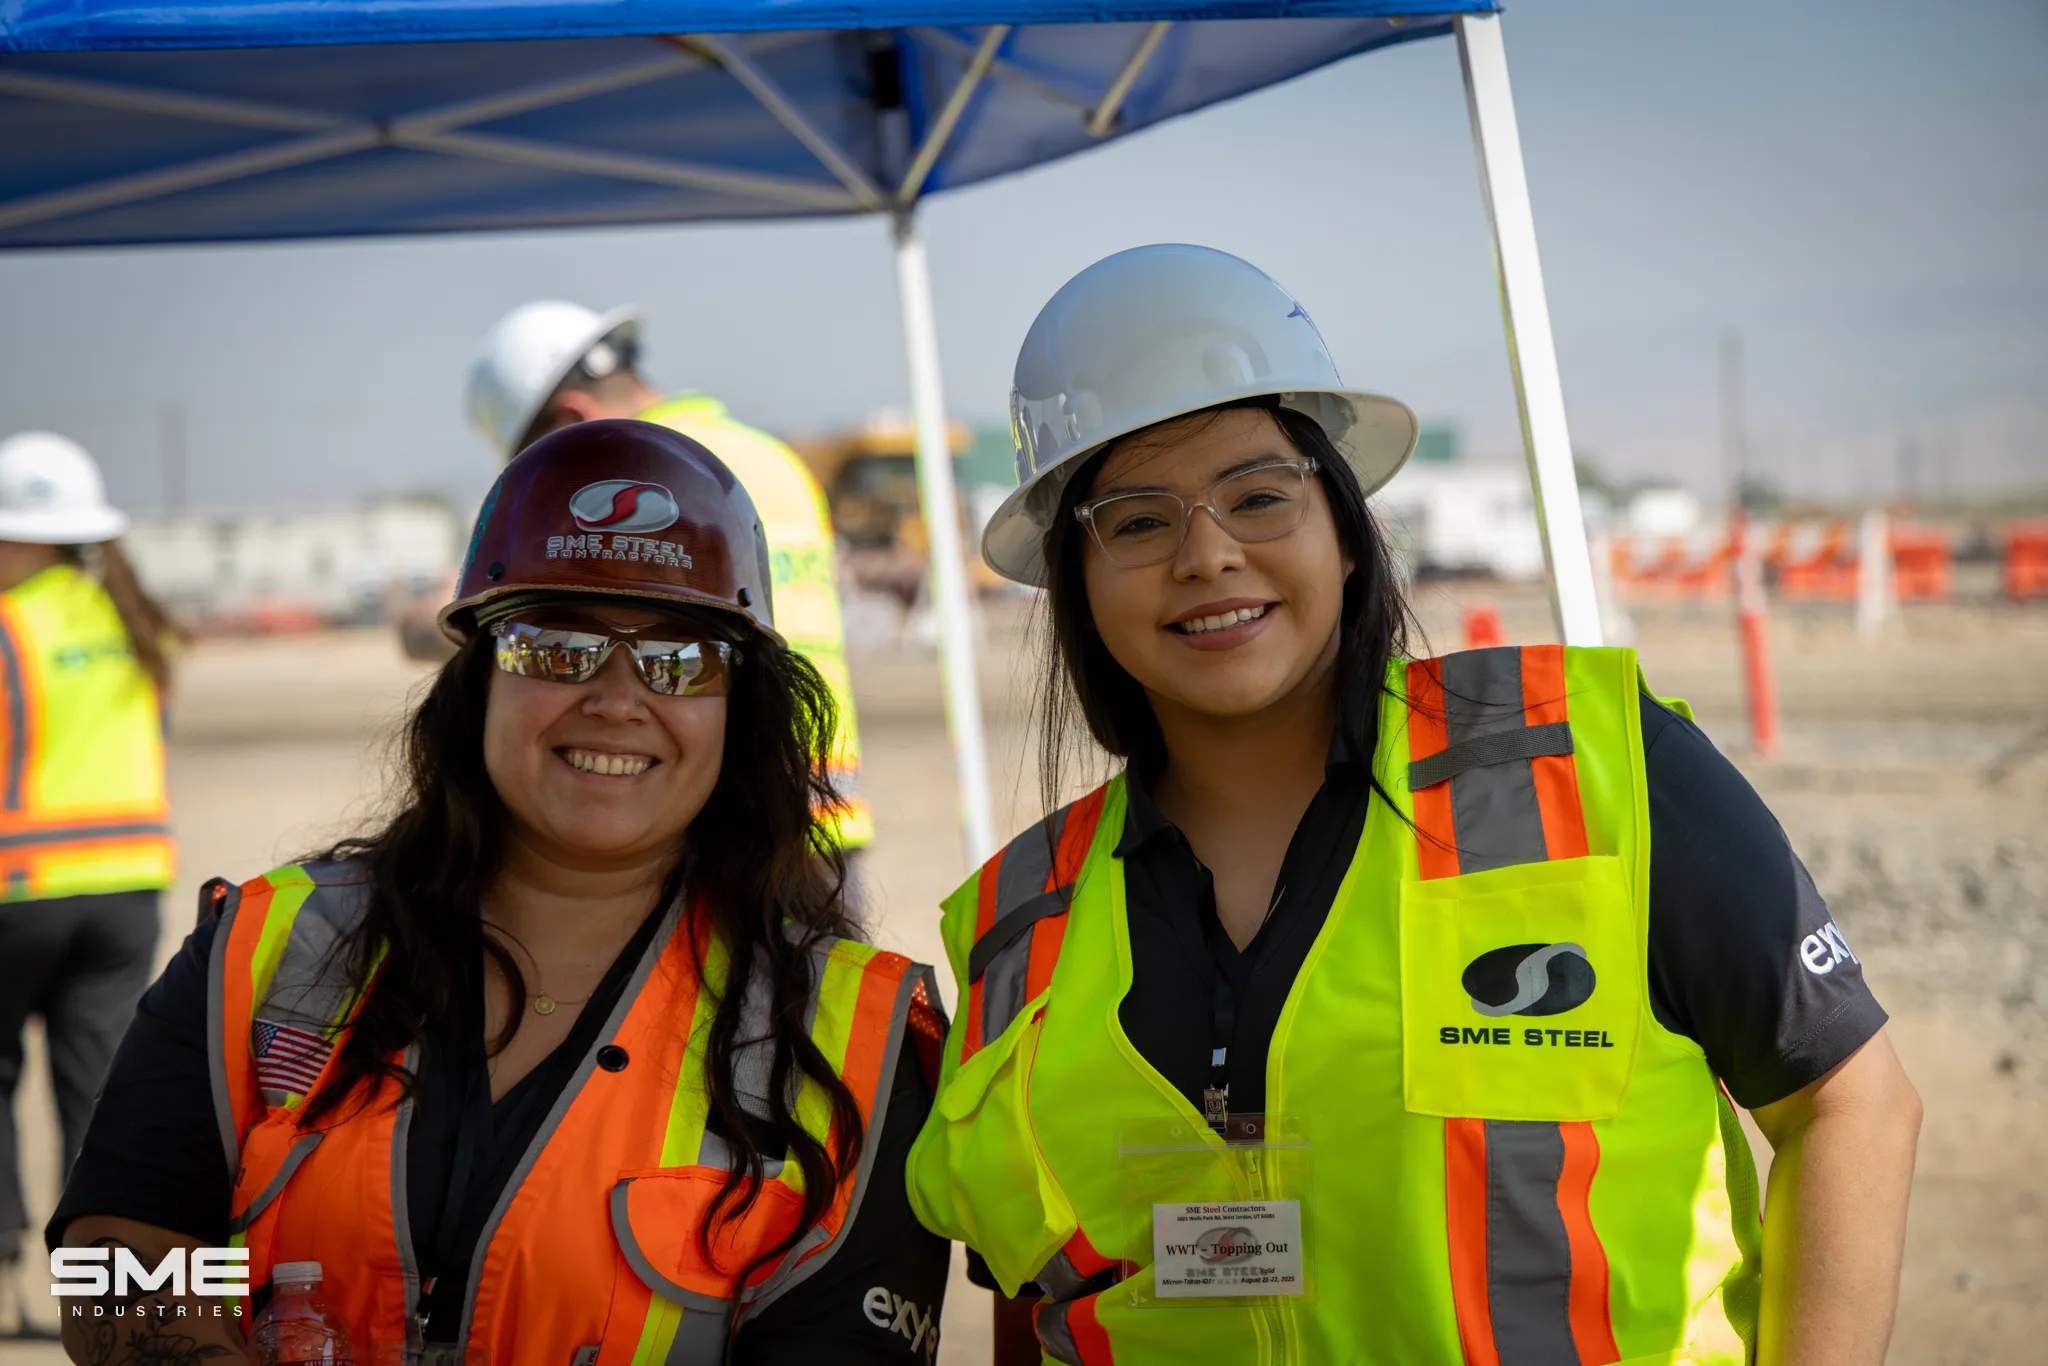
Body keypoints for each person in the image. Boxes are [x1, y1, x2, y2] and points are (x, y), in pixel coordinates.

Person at [906, 246, 1922, 1366]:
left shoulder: (1590, 766)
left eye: (1257, 495)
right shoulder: (1014, 925)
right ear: (1075, 582)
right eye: (1138, 522)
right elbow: (1031, 1300)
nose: (1208, 554)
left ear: (1345, 534)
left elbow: (1848, 1107)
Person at [50, 421, 950, 1364]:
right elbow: (116, 1255)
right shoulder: (270, 949)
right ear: (477, 681)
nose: (614, 697)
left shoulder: (854, 1040)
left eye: (680, 658)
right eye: (555, 647)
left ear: (740, 709)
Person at [467, 302, 873, 854]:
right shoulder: (772, 462)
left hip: (708, 815)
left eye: (546, 455)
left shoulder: (641, 480)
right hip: (824, 797)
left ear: (571, 417)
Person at [0, 433, 177, 1341]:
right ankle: (125, 1306)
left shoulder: (8, 620)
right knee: (103, 1098)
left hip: (15, 889)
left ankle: (6, 1294)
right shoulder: (129, 616)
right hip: (125, 889)